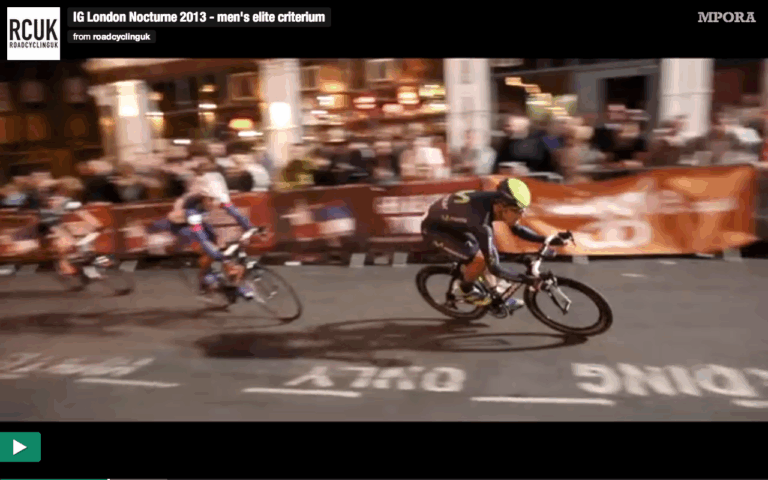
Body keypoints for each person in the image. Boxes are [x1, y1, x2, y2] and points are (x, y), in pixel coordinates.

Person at [420, 178, 570, 308]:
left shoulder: (498, 202)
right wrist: (528, 280)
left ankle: (494, 291)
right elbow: (496, 269)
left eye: (523, 210)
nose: (521, 215)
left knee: (488, 253)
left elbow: (516, 229)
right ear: (502, 207)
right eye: (517, 211)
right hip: (435, 229)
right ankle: (465, 291)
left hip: (456, 221)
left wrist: (546, 239)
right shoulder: (482, 223)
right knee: (480, 259)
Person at [148, 173, 263, 302]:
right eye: (210, 200)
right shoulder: (192, 209)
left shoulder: (215, 194)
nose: (214, 204)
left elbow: (236, 213)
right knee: (210, 251)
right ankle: (206, 281)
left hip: (199, 221)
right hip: (181, 226)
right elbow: (202, 239)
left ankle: (222, 279)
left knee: (218, 244)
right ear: (203, 198)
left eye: (216, 200)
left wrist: (251, 228)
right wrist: (219, 255)